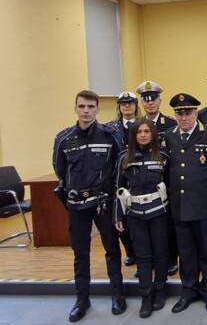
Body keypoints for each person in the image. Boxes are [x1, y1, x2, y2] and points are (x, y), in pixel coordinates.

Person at [52, 90, 126, 322]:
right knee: (80, 253)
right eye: (82, 106)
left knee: (112, 250)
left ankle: (118, 295)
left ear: (97, 109)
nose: (86, 111)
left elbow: (119, 166)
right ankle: (82, 299)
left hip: (103, 202)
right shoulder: (63, 138)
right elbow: (60, 170)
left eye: (91, 107)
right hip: (77, 205)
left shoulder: (109, 135)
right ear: (75, 108)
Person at [164, 93, 207, 314]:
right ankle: (188, 290)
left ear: (196, 112)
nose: (184, 116)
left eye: (188, 112)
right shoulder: (168, 136)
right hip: (179, 203)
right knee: (185, 251)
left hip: (204, 203)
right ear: (175, 115)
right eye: (179, 113)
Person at [114, 119, 170, 318]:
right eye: (139, 132)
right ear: (134, 135)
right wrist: (117, 216)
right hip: (135, 215)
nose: (144, 135)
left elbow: (170, 186)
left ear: (153, 134)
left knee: (161, 252)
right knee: (142, 255)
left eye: (147, 131)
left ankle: (160, 290)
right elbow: (118, 189)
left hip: (159, 213)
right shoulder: (124, 158)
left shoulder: (163, 156)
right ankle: (146, 295)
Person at [136, 80, 179, 277]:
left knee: (167, 226)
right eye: (146, 100)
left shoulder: (170, 124)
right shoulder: (138, 126)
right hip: (144, 184)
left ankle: (170, 259)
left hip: (166, 181)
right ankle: (148, 261)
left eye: (153, 99)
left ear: (160, 100)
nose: (150, 103)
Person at [107, 91, 139, 267]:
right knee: (121, 219)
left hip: (138, 178)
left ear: (136, 106)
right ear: (118, 107)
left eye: (130, 103)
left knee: (138, 218)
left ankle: (140, 251)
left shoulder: (144, 126)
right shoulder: (111, 129)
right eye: (123, 103)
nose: (127, 106)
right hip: (119, 178)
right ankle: (130, 252)